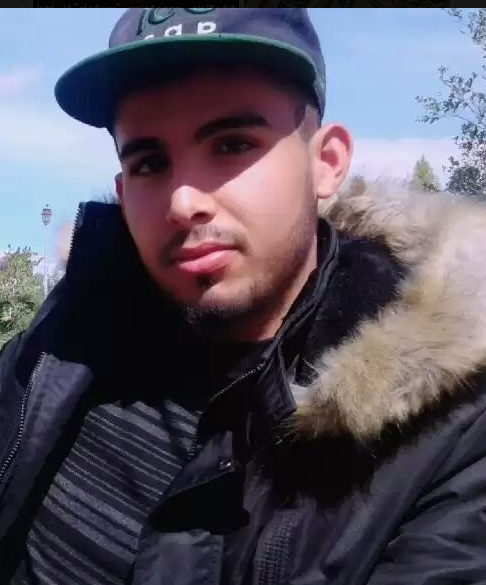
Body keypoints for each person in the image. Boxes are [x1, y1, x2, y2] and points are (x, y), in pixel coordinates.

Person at [1, 7, 486, 585]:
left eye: (232, 144)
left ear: (326, 164)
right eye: (150, 162)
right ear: (122, 191)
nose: (183, 202)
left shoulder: (450, 434)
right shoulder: (75, 325)